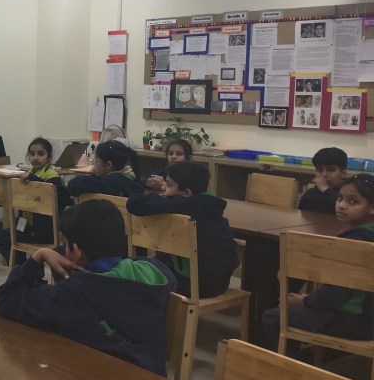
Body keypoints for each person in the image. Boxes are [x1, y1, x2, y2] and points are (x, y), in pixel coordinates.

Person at [0, 200, 176, 376]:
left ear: (77, 252)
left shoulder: (69, 295)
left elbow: (6, 299)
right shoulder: (152, 271)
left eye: (65, 244)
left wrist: (38, 256)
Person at [262, 174, 374, 355]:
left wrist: (305, 300)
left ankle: (289, 367)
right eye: (340, 198)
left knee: (273, 317)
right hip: (366, 317)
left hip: (355, 321)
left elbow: (336, 293)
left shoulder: (354, 241)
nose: (342, 205)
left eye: (353, 201)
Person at [127, 162, 239, 298]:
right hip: (219, 281)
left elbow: (134, 203)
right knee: (156, 261)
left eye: (169, 185)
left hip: (195, 284)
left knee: (136, 268)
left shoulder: (183, 204)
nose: (165, 189)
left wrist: (155, 194)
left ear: (186, 192)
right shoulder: (209, 201)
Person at [0, 137, 72, 264]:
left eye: (40, 154)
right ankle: (25, 268)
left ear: (49, 157)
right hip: (28, 225)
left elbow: (61, 199)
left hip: (44, 230)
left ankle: (25, 269)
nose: (35, 158)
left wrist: (34, 179)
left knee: (2, 238)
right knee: (1, 236)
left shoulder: (52, 177)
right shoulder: (29, 173)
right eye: (32, 154)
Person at [67, 140, 144, 198]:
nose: (93, 163)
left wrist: (92, 175)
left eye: (96, 159)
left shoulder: (111, 181)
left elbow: (73, 185)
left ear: (108, 165)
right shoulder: (129, 176)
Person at [298, 147, 349, 214]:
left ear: (343, 173)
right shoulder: (310, 194)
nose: (324, 174)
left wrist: (325, 189)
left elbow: (344, 208)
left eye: (330, 170)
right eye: (320, 170)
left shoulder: (349, 195)